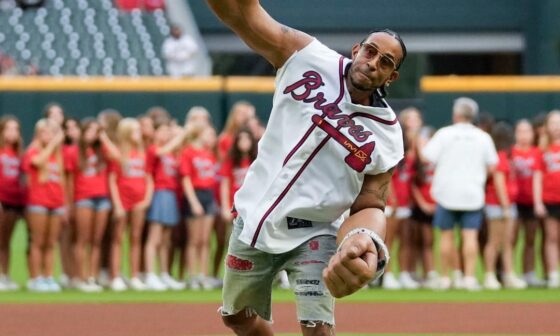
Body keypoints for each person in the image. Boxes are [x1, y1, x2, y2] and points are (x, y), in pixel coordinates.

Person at [206, 1, 404, 334]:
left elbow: (371, 202)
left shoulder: (388, 133)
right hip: (255, 216)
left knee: (317, 328)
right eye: (370, 52)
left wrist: (364, 236)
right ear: (357, 50)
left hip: (316, 229)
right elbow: (243, 16)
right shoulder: (308, 56)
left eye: (385, 62)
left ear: (392, 76)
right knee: (235, 316)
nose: (373, 64)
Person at [422, 97, 498, 291]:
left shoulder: (444, 134)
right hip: (472, 193)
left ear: (456, 114)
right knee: (470, 237)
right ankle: (469, 279)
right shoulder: (483, 137)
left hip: (446, 192)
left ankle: (446, 278)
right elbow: (492, 166)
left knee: (446, 236)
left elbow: (427, 158)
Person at [64, 119, 119, 292]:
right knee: (82, 239)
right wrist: (70, 204)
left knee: (96, 241)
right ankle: (80, 277)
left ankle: (92, 277)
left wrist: (104, 138)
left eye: (96, 131)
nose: (92, 134)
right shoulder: (74, 152)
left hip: (102, 198)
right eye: (90, 130)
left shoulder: (102, 151)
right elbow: (69, 181)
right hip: (83, 198)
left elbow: (118, 157)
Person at [108, 118, 154, 291]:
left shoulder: (143, 152)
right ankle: (116, 276)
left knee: (136, 238)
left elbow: (149, 177)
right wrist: (118, 205)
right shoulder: (119, 152)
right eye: (135, 131)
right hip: (123, 199)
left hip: (139, 200)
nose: (139, 134)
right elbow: (112, 180)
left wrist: (147, 199)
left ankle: (134, 275)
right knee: (118, 238)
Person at [143, 121, 188, 291]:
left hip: (171, 194)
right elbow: (162, 151)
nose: (166, 134)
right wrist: (181, 135)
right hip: (160, 193)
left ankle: (164, 274)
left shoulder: (172, 153)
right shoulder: (154, 149)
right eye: (163, 131)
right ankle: (150, 274)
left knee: (166, 240)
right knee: (154, 238)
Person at [482, 122, 527, 290]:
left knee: (508, 242)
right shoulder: (500, 156)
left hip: (507, 204)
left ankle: (509, 274)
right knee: (494, 241)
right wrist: (506, 206)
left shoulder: (508, 156)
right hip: (498, 205)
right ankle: (489, 275)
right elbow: (499, 183)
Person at [23, 119, 66, 292]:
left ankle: (48, 277)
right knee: (37, 241)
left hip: (55, 203)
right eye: (46, 132)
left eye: (53, 133)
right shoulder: (33, 151)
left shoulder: (58, 155)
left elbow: (61, 181)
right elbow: (38, 162)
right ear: (39, 134)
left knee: (51, 242)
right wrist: (53, 144)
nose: (50, 136)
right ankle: (35, 278)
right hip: (38, 203)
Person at [180, 124, 219, 290]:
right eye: (209, 134)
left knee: (205, 240)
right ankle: (192, 275)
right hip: (195, 194)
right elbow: (186, 178)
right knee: (194, 239)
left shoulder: (210, 153)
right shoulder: (188, 152)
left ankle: (203, 275)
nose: (212, 137)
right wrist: (193, 201)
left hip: (208, 195)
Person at [511, 119, 546, 287]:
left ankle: (529, 273)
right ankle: (508, 272)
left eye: (527, 131)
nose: (524, 135)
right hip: (514, 201)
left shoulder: (537, 153)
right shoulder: (511, 152)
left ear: (533, 134)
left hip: (531, 202)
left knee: (531, 239)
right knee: (511, 238)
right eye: (520, 131)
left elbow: (539, 177)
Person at [533, 110, 560, 288]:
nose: (557, 127)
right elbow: (537, 177)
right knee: (551, 237)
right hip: (550, 199)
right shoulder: (542, 150)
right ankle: (552, 274)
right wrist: (538, 202)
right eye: (553, 123)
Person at [0, 115, 25, 291]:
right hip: (2, 199)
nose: (13, 132)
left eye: (16, 128)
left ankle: (5, 276)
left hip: (14, 201)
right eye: (9, 128)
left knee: (6, 241)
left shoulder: (18, 153)